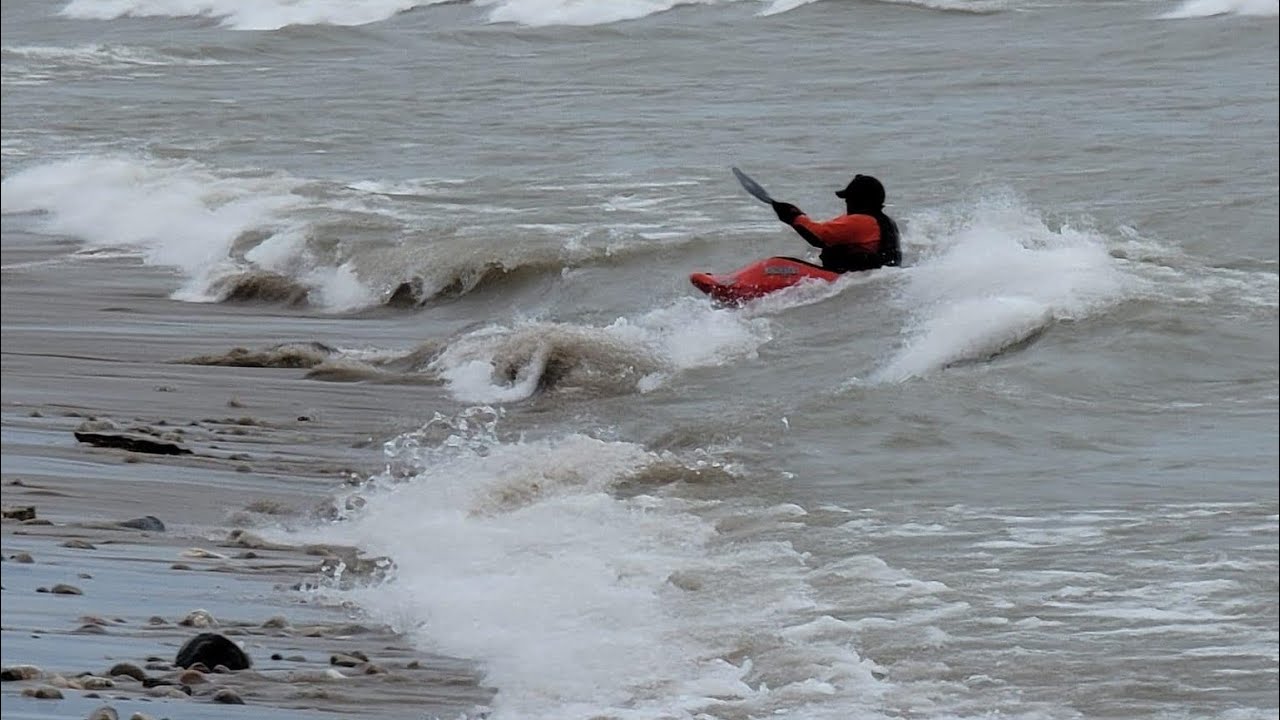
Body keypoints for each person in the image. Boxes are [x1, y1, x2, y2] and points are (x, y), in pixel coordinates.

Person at [769, 174, 901, 273]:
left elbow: (819, 236)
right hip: (871, 275)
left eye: (848, 199)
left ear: (859, 201)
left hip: (853, 277)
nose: (846, 203)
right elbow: (824, 228)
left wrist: (794, 216)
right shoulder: (885, 221)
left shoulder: (860, 222)